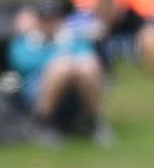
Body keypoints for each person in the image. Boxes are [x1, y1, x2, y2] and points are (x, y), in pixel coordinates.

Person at [8, 0, 112, 145]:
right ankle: (43, 123)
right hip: (37, 91)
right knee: (61, 68)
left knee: (87, 66)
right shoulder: (25, 42)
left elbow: (87, 56)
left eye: (53, 18)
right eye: (45, 19)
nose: (49, 23)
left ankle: (94, 121)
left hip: (73, 89)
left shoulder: (73, 38)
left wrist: (68, 64)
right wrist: (60, 60)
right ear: (37, 20)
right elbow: (23, 64)